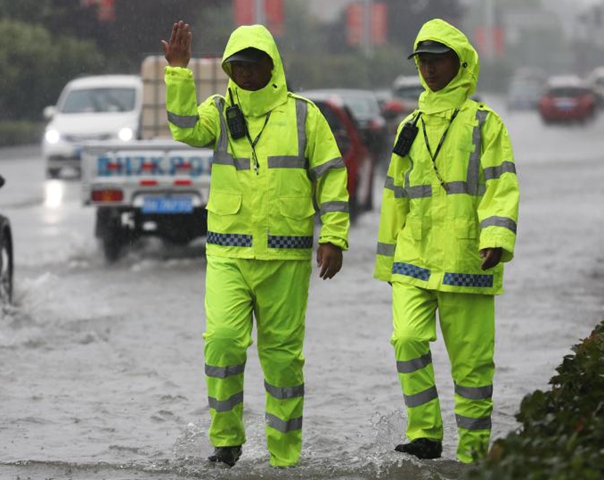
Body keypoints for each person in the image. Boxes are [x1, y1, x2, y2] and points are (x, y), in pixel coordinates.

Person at [162, 21, 350, 467]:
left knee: (283, 362)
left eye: (253, 65)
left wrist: (334, 237)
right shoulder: (218, 109)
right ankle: (226, 443)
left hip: (285, 258)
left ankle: (285, 458)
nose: (244, 74)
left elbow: (331, 176)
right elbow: (186, 130)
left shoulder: (304, 114)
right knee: (223, 342)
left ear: (272, 66)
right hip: (228, 252)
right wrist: (178, 74)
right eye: (237, 66)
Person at [374, 18, 520, 463]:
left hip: (467, 259)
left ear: (461, 63)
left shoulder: (485, 124)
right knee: (407, 340)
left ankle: (474, 455)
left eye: (438, 60)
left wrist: (495, 237)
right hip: (413, 259)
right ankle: (426, 433)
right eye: (423, 61)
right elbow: (395, 194)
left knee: (472, 368)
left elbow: (502, 186)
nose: (430, 69)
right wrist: (387, 263)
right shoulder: (409, 126)